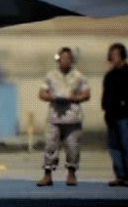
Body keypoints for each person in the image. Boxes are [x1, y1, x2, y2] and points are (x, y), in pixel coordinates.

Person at [37, 47, 90, 187]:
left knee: (73, 147)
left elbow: (86, 94)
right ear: (58, 59)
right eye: (63, 58)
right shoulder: (51, 76)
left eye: (68, 58)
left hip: (72, 117)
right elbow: (41, 93)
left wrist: (74, 98)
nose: (65, 61)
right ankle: (47, 174)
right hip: (55, 117)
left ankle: (71, 174)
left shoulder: (79, 76)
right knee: (50, 146)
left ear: (72, 60)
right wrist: (52, 97)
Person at [101, 43, 128, 187]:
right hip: (111, 117)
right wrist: (106, 108)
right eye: (111, 55)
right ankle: (121, 176)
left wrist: (127, 105)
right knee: (114, 148)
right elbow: (106, 95)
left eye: (115, 55)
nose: (113, 58)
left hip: (126, 116)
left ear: (123, 56)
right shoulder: (110, 75)